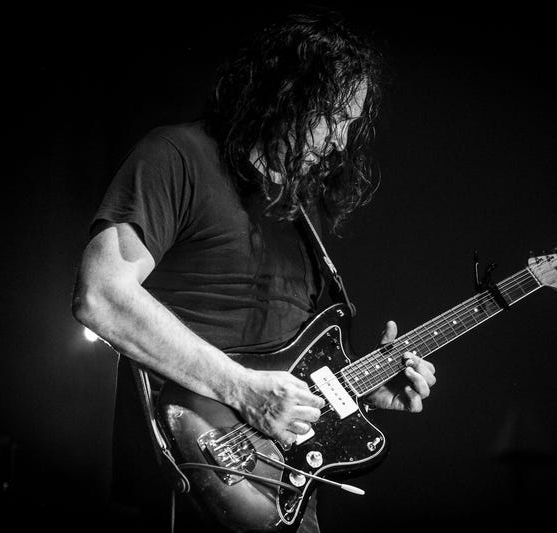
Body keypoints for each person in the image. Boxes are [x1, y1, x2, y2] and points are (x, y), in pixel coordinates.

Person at [71, 10, 437, 533]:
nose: (340, 142)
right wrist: (242, 390)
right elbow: (101, 295)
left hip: (284, 488)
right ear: (284, 92)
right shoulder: (177, 155)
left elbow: (288, 367)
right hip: (193, 465)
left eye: (351, 125)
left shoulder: (296, 209)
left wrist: (361, 389)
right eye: (333, 116)